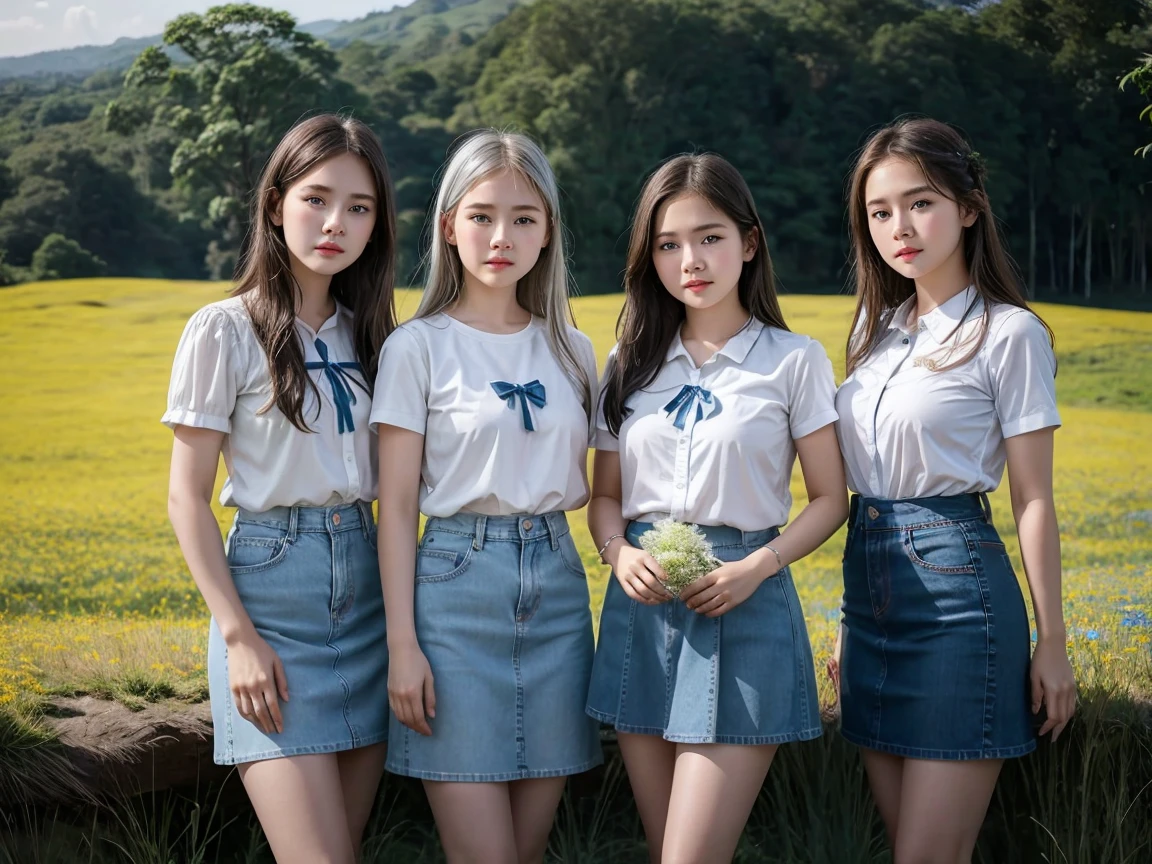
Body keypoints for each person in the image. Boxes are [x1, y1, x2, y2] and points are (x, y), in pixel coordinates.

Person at [586, 153, 849, 864]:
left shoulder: (793, 361)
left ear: (749, 242)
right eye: (668, 244)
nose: (690, 260)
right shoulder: (629, 361)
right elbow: (604, 496)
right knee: (662, 848)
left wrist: (754, 569)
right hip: (642, 609)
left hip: (745, 604)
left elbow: (830, 499)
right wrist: (620, 553)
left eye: (709, 238)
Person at [835, 116, 1077, 863]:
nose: (899, 227)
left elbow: (1032, 498)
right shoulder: (874, 336)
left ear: (969, 207)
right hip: (869, 590)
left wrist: (1054, 643)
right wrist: (849, 624)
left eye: (921, 203)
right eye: (879, 212)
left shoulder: (1009, 335)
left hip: (956, 597)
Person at [163, 114, 397, 863]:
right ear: (275, 204)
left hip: (368, 594)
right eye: (317, 199)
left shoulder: (376, 336)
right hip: (271, 597)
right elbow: (185, 497)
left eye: (359, 207)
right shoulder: (222, 329)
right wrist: (238, 638)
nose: (336, 222)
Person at [371, 130, 602, 864]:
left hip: (558, 592)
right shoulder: (417, 347)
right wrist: (403, 645)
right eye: (482, 215)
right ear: (448, 226)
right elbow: (398, 508)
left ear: (548, 232)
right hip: (452, 594)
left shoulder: (573, 348)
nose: (502, 236)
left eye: (525, 218)